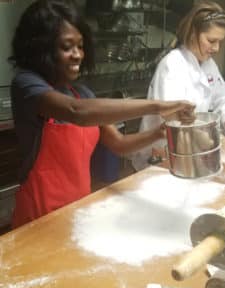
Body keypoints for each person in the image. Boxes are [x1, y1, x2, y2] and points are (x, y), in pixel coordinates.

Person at [9, 0, 194, 228]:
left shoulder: (82, 93)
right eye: (67, 47)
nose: (78, 55)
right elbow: (76, 112)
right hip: (37, 216)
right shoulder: (28, 85)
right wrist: (157, 106)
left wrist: (162, 131)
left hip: (76, 209)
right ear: (41, 49)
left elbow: (119, 144)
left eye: (80, 46)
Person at [132, 0, 225, 171]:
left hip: (194, 149)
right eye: (211, 41)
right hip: (162, 153)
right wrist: (209, 142)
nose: (216, 48)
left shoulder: (208, 65)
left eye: (220, 41)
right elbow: (174, 117)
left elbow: (222, 100)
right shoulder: (172, 65)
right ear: (193, 33)